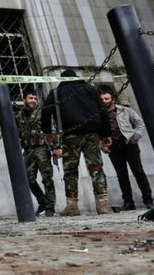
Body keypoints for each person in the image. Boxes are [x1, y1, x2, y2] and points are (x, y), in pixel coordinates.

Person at [41, 70, 111, 216]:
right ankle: (103, 204)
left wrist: (47, 132)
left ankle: (72, 206)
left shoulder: (56, 93)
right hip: (92, 133)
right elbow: (103, 111)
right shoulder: (90, 89)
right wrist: (106, 134)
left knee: (70, 171)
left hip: (70, 134)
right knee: (96, 168)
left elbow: (46, 112)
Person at [99, 88, 154, 210]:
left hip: (129, 144)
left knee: (138, 172)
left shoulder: (125, 110)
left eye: (106, 98)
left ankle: (148, 200)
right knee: (121, 175)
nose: (104, 101)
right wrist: (103, 146)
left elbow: (139, 123)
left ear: (112, 98)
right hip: (113, 148)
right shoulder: (99, 116)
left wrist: (136, 137)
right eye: (101, 99)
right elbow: (98, 134)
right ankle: (128, 202)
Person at [15, 89, 56, 217]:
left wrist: (55, 146)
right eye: (30, 98)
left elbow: (51, 130)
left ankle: (50, 206)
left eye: (35, 98)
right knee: (28, 179)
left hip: (42, 149)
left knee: (47, 178)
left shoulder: (41, 113)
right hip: (28, 150)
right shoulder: (19, 116)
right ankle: (42, 202)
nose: (33, 101)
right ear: (24, 100)